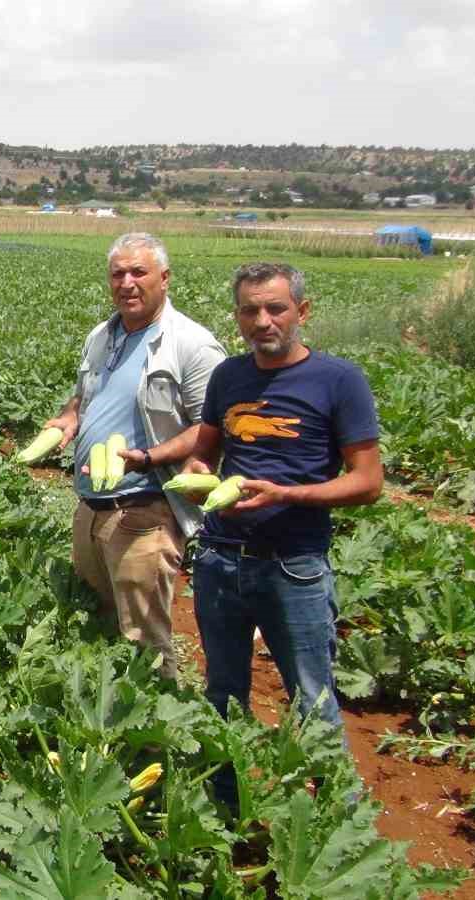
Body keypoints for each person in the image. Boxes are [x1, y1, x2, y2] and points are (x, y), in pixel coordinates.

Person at [180, 261, 382, 806]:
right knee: (222, 693)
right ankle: (225, 808)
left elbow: (368, 482)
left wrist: (288, 493)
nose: (262, 320)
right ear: (238, 316)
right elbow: (205, 450)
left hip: (295, 563)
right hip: (220, 558)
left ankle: (339, 824)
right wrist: (199, 472)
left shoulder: (339, 380)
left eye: (275, 308)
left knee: (312, 699)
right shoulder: (228, 376)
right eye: (250, 310)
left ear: (302, 311)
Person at [37, 232, 225, 680]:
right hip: (91, 506)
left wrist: (147, 456)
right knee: (94, 620)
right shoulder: (103, 335)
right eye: (117, 273)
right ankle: (104, 725)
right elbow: (84, 396)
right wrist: (68, 418)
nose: (127, 282)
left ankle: (155, 728)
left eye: (138, 272)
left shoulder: (191, 345)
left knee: (143, 639)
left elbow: (211, 427)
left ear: (164, 277)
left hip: (145, 508)